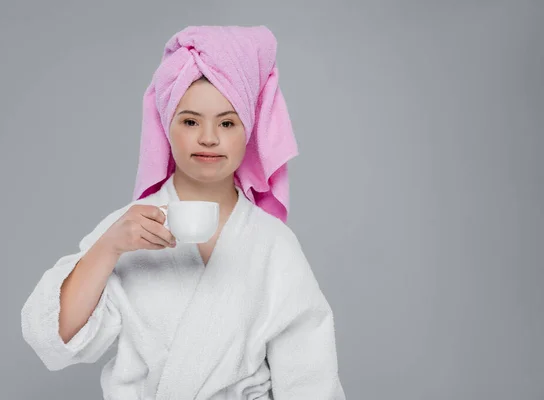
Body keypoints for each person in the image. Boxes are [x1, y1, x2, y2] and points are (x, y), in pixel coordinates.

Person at [21, 25, 346, 400]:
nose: (208, 137)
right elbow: (54, 339)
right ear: (166, 125)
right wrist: (107, 248)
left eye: (227, 122)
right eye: (190, 121)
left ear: (249, 130)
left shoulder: (273, 244)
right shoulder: (129, 228)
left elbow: (311, 378)